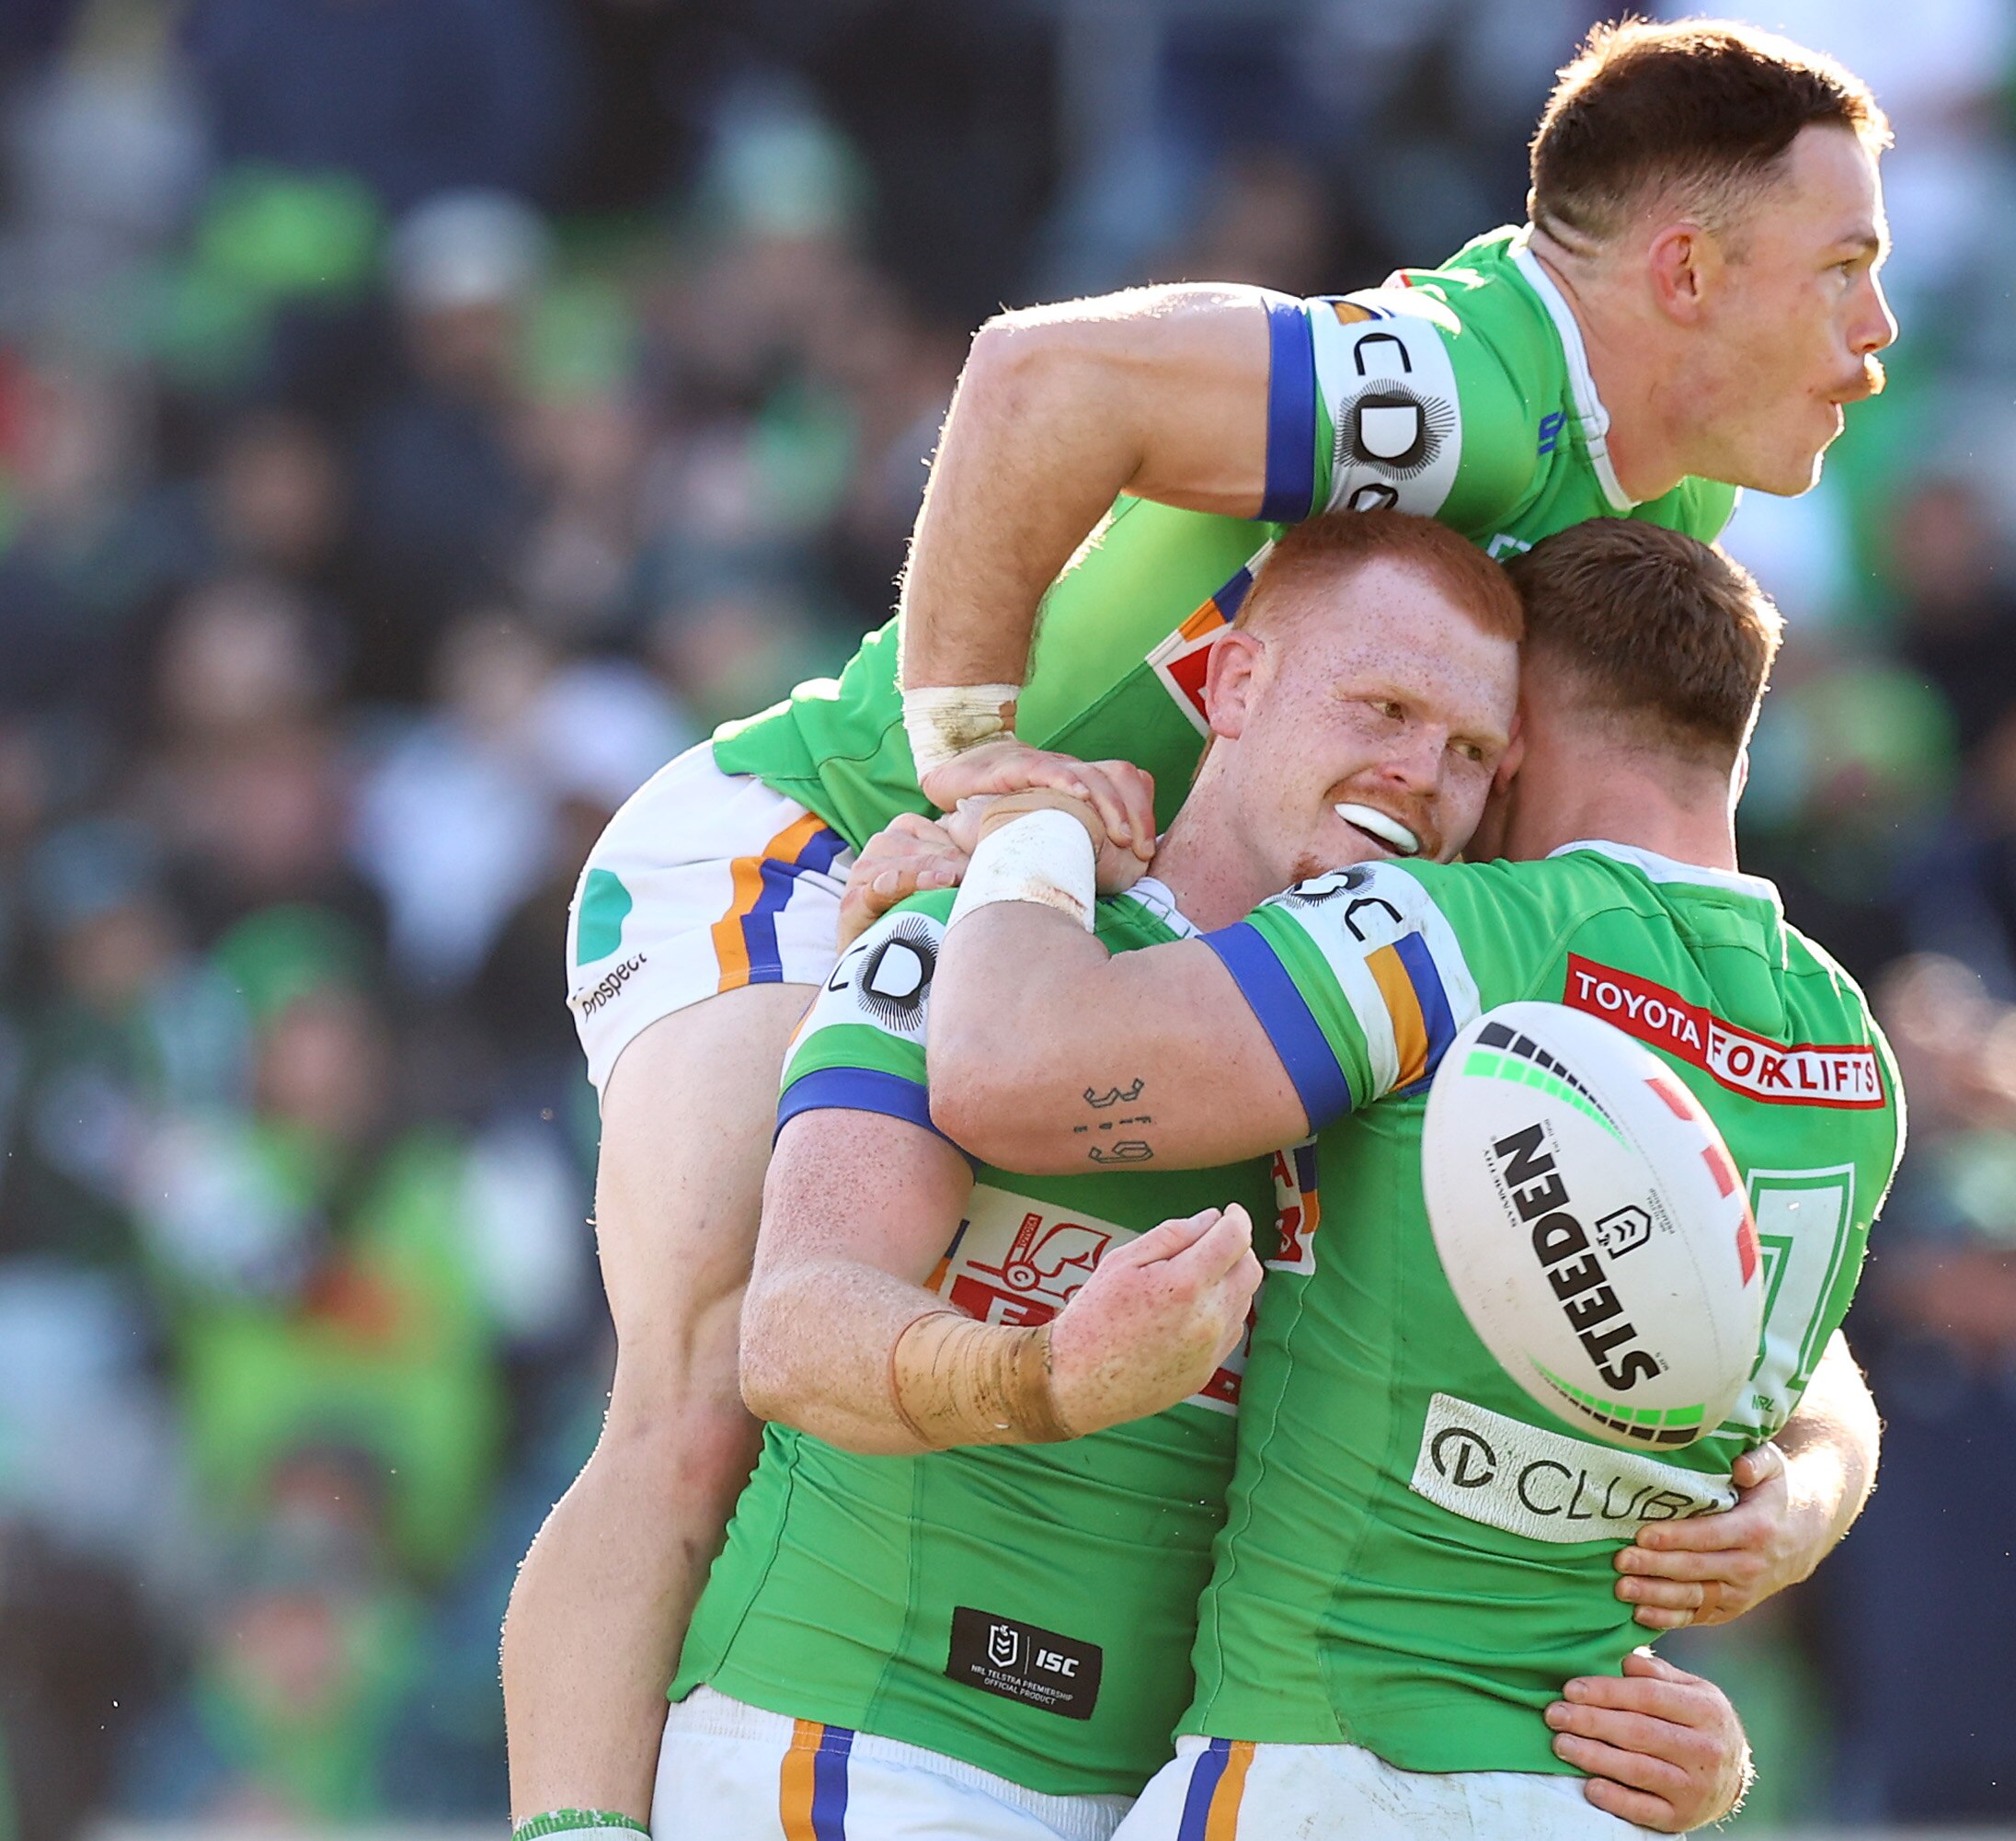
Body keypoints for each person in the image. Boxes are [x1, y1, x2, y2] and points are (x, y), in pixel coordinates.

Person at [508, 21, 1899, 1835]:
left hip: (1126, 943)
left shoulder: (1667, 517)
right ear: (1689, 272)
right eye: (1849, 271)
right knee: (706, 1381)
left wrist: (1782, 1495)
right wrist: (974, 755)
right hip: (819, 836)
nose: (1879, 333)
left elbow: (1675, 1120)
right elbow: (1036, 378)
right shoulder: (1472, 389)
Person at [653, 514, 1764, 1841]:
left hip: (1189, 1794)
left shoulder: (1445, 1056)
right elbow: (796, 1326)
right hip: (871, 1748)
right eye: (1385, 706)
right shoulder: (990, 930)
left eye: (1471, 750)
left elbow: (1737, 1320)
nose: (1420, 773)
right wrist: (1046, 1374)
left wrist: (1768, 1551)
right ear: (1234, 684)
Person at [919, 518, 1896, 1835]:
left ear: (1525, 737)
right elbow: (1773, 1328)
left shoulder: (1447, 937)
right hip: (1598, 1788)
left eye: (1475, 735)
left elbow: (1006, 1070)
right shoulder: (1852, 1053)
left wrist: (1023, 839)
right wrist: (1822, 1486)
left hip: (1318, 1770)